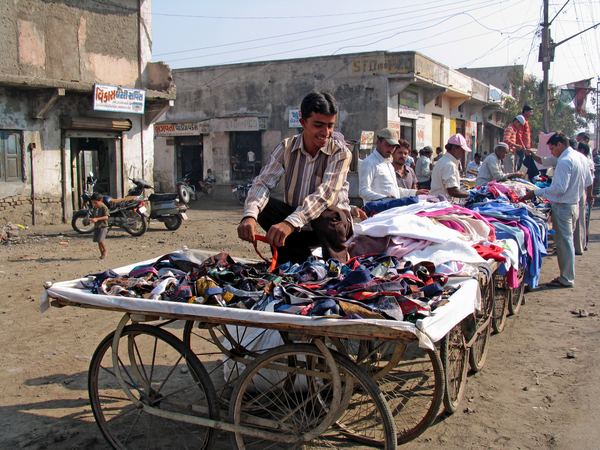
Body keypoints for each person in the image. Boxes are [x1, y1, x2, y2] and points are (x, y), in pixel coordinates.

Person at [237, 92, 353, 264]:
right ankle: (292, 255)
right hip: (297, 226)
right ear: (303, 122)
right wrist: (249, 215)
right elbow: (262, 182)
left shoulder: (341, 153)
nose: (326, 132)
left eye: (330, 126)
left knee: (326, 213)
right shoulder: (286, 147)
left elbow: (325, 195)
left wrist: (290, 223)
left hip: (332, 227)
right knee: (264, 206)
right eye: (319, 125)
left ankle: (337, 263)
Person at [521, 133, 593, 287]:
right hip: (573, 205)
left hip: (563, 207)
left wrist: (536, 192)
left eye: (552, 148)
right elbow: (588, 181)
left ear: (560, 144)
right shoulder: (579, 157)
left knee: (564, 243)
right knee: (567, 242)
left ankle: (566, 278)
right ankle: (566, 276)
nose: (551, 152)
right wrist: (531, 154)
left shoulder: (565, 161)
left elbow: (559, 188)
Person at [359, 128, 427, 204]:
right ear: (378, 143)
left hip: (391, 209)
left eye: (393, 146)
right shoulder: (369, 162)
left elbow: (395, 191)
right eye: (388, 145)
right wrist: (383, 198)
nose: (391, 149)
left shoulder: (388, 164)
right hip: (378, 211)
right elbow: (363, 191)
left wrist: (415, 193)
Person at [430, 133, 472, 199]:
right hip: (443, 203)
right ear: (454, 149)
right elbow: (453, 191)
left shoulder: (443, 161)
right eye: (462, 150)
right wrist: (472, 194)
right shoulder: (449, 165)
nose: (463, 153)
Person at [89, 193, 109, 259]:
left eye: (95, 203)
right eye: (93, 203)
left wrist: (97, 219)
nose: (94, 204)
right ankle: (102, 253)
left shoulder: (104, 207)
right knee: (98, 241)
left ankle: (105, 250)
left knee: (100, 240)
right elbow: (93, 216)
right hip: (97, 226)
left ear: (101, 201)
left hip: (103, 226)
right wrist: (90, 220)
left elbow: (106, 217)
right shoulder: (95, 208)